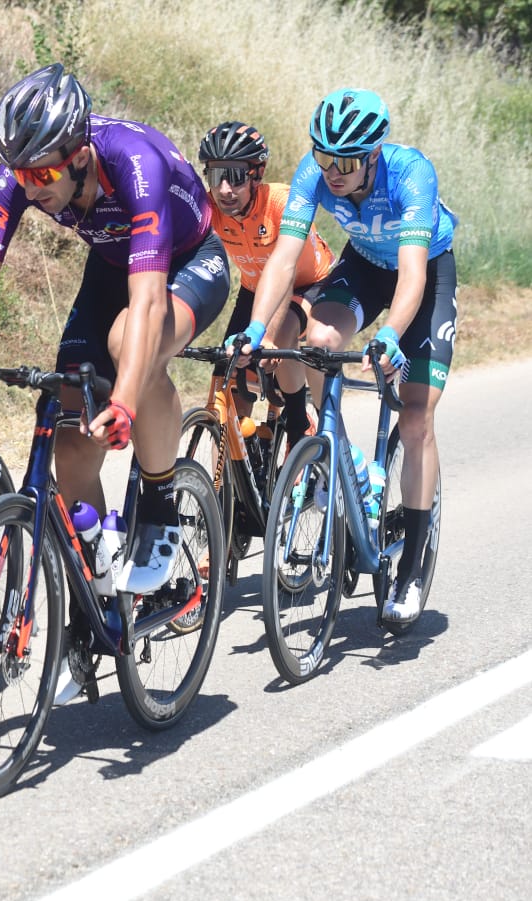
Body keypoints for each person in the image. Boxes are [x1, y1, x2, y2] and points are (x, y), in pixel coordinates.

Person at [0, 62, 230, 596]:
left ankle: (161, 503)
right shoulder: (23, 173)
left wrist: (124, 402)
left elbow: (145, 303)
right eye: (21, 175)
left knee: (131, 347)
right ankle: (99, 582)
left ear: (81, 158)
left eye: (43, 176)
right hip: (111, 265)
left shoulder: (136, 164)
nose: (30, 187)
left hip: (188, 262)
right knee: (70, 436)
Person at [240, 88, 456, 624]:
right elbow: (284, 260)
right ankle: (344, 460)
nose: (331, 170)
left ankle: (409, 569)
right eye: (322, 155)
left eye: (344, 160)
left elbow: (411, 276)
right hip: (362, 265)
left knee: (415, 417)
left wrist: (390, 334)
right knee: (316, 342)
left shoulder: (410, 174)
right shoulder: (315, 175)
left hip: (424, 276)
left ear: (373, 155)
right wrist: (255, 327)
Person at [200, 120, 333, 447]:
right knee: (228, 376)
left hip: (309, 284)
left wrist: (269, 338)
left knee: (283, 334)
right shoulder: (211, 208)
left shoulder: (280, 203)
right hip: (254, 289)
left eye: (234, 177)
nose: (224, 190)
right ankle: (241, 468)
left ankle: (300, 422)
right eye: (216, 176)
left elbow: (284, 272)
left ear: (256, 175)